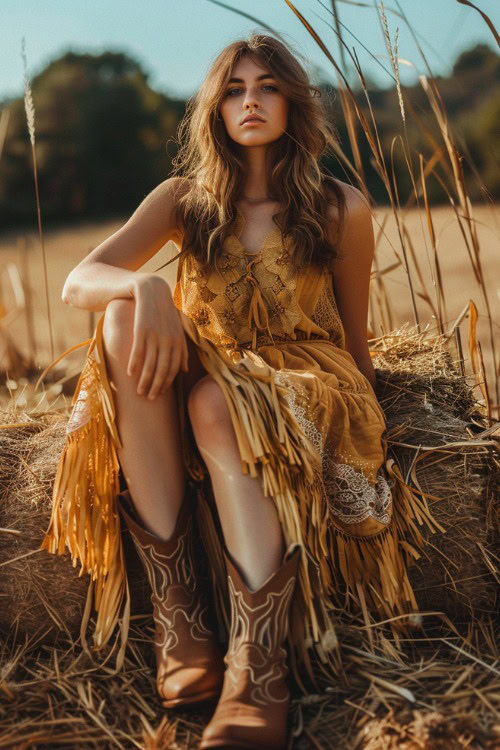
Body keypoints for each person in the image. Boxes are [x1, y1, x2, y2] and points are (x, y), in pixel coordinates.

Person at [41, 33, 438, 750]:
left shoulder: (340, 204)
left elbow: (354, 336)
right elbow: (79, 283)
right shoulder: (183, 201)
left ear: (292, 100)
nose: (249, 101)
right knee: (124, 319)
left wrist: (375, 428)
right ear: (215, 109)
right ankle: (181, 618)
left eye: (266, 86)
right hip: (215, 359)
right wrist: (147, 285)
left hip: (305, 374)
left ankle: (258, 667)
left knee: (216, 406)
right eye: (233, 89)